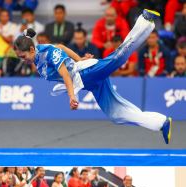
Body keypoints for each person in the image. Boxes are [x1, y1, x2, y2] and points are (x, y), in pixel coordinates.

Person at [13, 9, 172, 144]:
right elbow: (59, 46)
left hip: (87, 74)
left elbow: (65, 74)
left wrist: (71, 96)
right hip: (89, 82)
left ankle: (145, 20)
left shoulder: (48, 53)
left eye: (23, 56)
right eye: (20, 57)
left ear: (32, 50)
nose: (22, 59)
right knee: (115, 114)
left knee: (119, 56)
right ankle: (161, 122)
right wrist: (78, 58)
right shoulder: (38, 51)